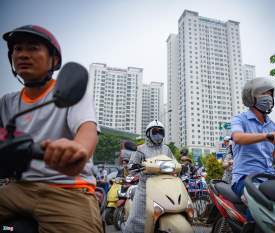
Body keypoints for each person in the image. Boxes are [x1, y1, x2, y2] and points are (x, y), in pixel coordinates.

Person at [0, 25, 102, 232]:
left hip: (67, 189)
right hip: (17, 188)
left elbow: (87, 129)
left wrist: (78, 151)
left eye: (33, 48)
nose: (23, 55)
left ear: (54, 60)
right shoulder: (7, 103)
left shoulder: (70, 94)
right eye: (18, 49)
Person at [231, 78, 275, 218]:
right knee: (260, 208)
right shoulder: (240, 119)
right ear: (250, 97)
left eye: (270, 94)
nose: (269, 98)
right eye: (264, 93)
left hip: (269, 178)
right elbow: (238, 138)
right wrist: (266, 136)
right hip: (245, 178)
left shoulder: (272, 126)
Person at [124, 120, 174, 233]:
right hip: (145, 188)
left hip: (164, 187)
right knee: (135, 219)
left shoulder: (167, 149)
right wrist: (135, 167)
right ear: (148, 134)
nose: (158, 134)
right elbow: (131, 166)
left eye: (161, 132)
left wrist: (180, 167)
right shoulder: (140, 149)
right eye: (155, 131)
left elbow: (174, 162)